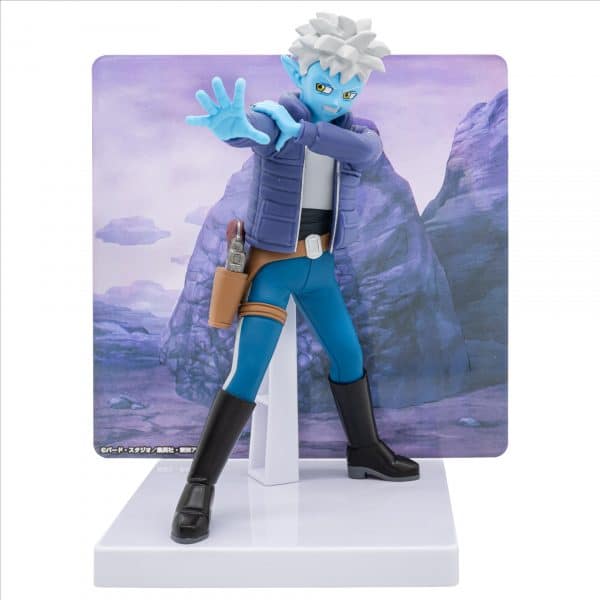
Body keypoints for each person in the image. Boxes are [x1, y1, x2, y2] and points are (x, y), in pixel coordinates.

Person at [171, 12, 419, 545]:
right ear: (295, 72)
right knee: (247, 371)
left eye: (349, 90)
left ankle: (365, 451)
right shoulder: (274, 119)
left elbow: (365, 152)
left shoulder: (354, 133)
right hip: (273, 269)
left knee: (349, 355)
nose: (336, 100)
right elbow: (255, 131)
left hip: (320, 268)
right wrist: (237, 127)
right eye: (325, 86)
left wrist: (303, 131)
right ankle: (198, 487)